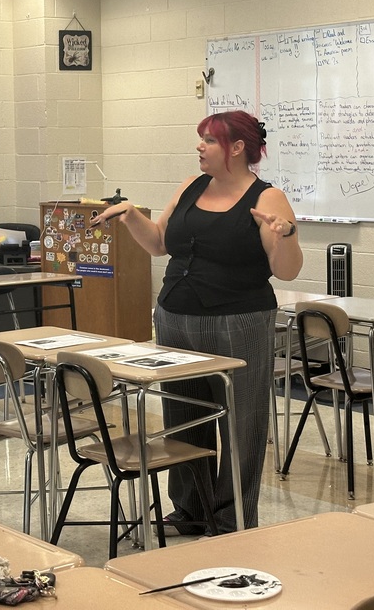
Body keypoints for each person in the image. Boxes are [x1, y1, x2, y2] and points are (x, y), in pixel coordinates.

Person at [92, 109, 302, 533]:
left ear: (237, 148)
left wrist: (286, 236)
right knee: (183, 413)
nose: (199, 147)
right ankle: (190, 510)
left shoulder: (267, 198)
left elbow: (287, 271)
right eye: (200, 138)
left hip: (238, 318)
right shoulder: (191, 186)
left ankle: (232, 518)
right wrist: (131, 215)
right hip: (175, 315)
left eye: (208, 140)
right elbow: (158, 244)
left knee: (242, 421)